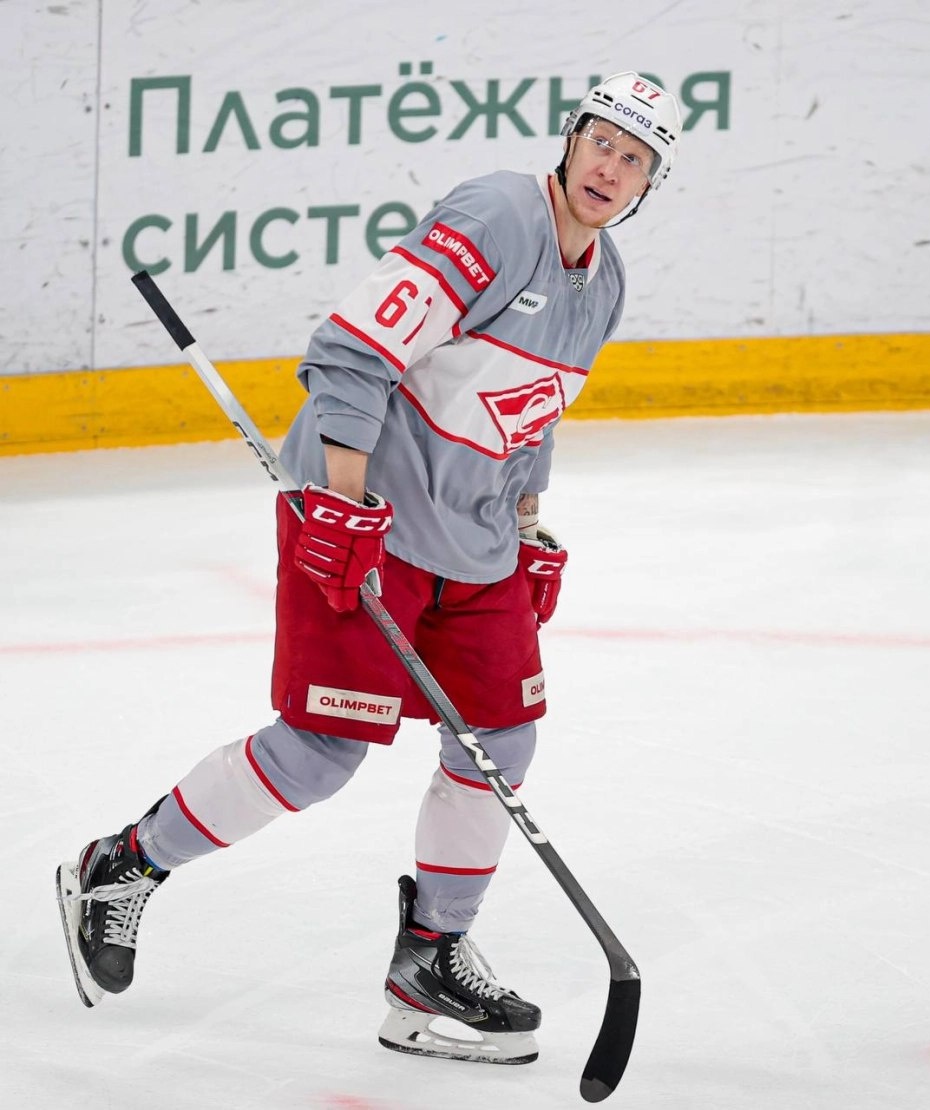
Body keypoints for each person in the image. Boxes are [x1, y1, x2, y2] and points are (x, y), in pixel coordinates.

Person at [57, 72, 682, 1065]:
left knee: (502, 737)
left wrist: (528, 528)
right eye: (601, 141)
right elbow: (354, 351)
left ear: (650, 183)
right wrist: (344, 504)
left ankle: (429, 959)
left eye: (635, 158)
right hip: (367, 518)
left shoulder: (601, 283)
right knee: (320, 751)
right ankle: (122, 866)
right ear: (570, 139)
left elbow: (531, 417)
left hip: (473, 539)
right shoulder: (496, 216)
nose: (611, 166)